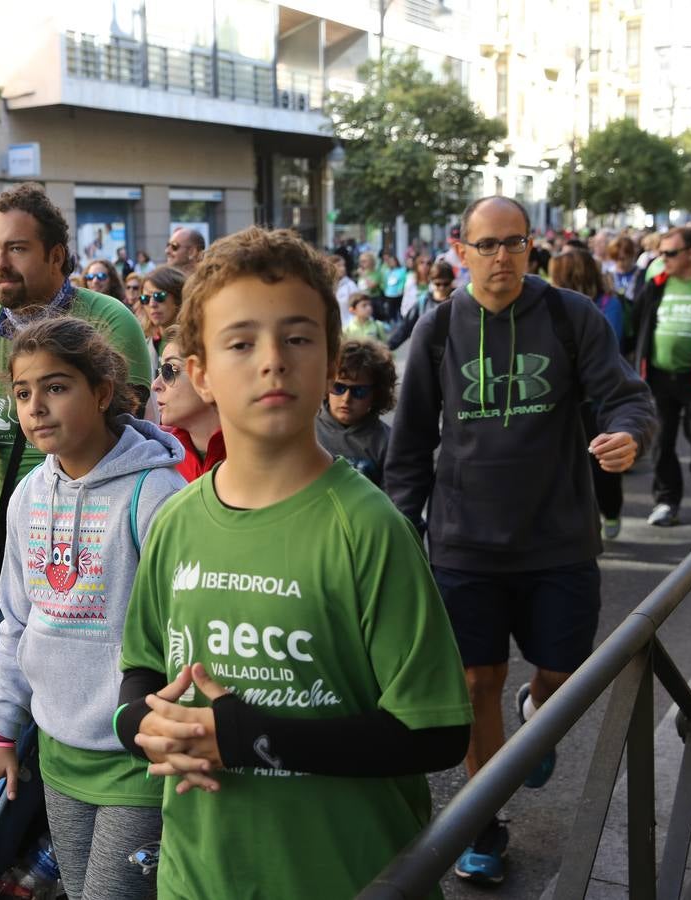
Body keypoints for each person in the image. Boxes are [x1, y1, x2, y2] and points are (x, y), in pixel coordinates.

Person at [114, 226, 471, 899]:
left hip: (349, 876)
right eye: (241, 343)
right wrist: (139, 725)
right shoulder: (177, 521)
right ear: (200, 374)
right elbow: (140, 665)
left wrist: (254, 738)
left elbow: (437, 733)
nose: (272, 360)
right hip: (199, 876)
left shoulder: (368, 528)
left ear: (331, 356)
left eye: (298, 338)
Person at [385, 196, 657, 885]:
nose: (500, 257)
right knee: (477, 679)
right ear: (461, 249)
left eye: (513, 244)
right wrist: (401, 528)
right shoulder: (440, 328)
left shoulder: (571, 317)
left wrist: (629, 434)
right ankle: (483, 821)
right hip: (462, 541)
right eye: (486, 245)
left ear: (530, 247)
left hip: (559, 537)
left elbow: (627, 396)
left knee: (565, 678)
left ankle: (537, 710)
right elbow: (411, 443)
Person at [0, 316, 184, 900]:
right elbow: (16, 624)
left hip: (137, 763)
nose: (36, 406)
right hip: (60, 757)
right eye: (22, 393)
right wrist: (2, 734)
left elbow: (183, 637)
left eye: (56, 387)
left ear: (103, 391)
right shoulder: (26, 497)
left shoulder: (157, 496)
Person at [0, 183, 152, 603]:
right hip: (15, 526)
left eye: (16, 249)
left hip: (101, 527)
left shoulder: (111, 321)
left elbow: (127, 438)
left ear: (56, 255)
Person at [631, 226, 691, 527]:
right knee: (662, 441)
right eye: (661, 252)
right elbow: (637, 321)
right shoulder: (656, 284)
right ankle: (666, 501)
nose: (663, 258)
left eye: (670, 253)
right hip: (660, 377)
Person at [550, 248, 626, 538]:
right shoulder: (551, 306)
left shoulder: (609, 304)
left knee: (601, 465)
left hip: (597, 400)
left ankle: (611, 511)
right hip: (562, 400)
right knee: (564, 465)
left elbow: (610, 350)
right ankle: (580, 522)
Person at [316, 338, 396, 487]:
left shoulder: (387, 442)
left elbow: (393, 501)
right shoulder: (304, 430)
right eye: (338, 387)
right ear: (326, 385)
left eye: (359, 391)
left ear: (376, 394)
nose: (346, 399)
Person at [152, 325, 223, 482]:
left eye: (169, 371)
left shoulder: (256, 450)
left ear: (205, 377)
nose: (155, 385)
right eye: (160, 372)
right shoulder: (158, 452)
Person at [387, 260, 454, 350]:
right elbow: (405, 328)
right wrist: (386, 348)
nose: (442, 288)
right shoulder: (423, 302)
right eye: (438, 284)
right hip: (429, 353)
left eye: (446, 284)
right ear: (431, 281)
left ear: (452, 281)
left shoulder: (457, 301)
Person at [138, 265, 186, 360]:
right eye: (145, 298)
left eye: (159, 296)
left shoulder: (196, 342)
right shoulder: (144, 344)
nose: (152, 304)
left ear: (178, 298)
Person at [330, 254, 357, 324]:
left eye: (343, 265)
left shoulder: (351, 285)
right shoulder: (325, 285)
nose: (343, 269)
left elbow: (357, 307)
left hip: (347, 327)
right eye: (339, 265)